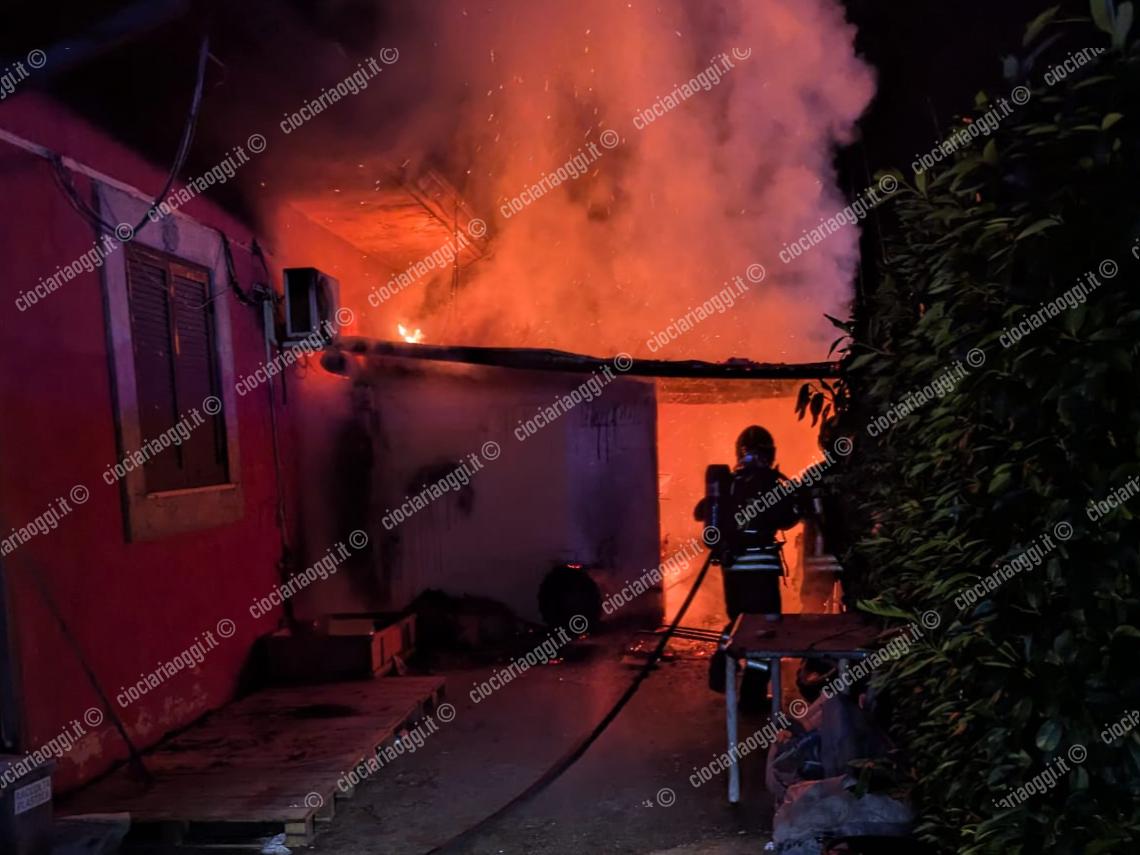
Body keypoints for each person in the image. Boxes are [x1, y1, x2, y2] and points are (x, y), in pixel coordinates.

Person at [702, 425, 801, 709]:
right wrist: (799, 500)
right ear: (771, 453)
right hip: (762, 569)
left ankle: (720, 664)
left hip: (733, 569)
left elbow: (705, 511)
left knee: (739, 621)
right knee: (766, 629)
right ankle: (752, 696)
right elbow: (786, 518)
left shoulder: (730, 483)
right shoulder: (770, 482)